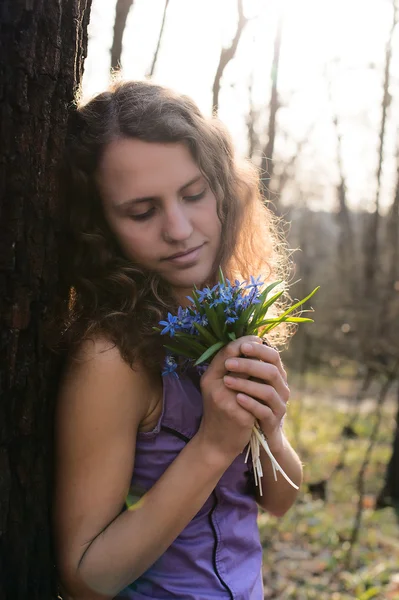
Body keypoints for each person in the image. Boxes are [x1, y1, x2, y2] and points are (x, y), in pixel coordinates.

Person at [53, 79, 303, 600]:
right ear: (99, 226)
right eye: (142, 212)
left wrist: (270, 429)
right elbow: (84, 577)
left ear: (222, 190)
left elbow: (278, 501)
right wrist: (213, 445)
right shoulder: (113, 357)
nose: (179, 228)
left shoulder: (230, 312)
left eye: (194, 195)